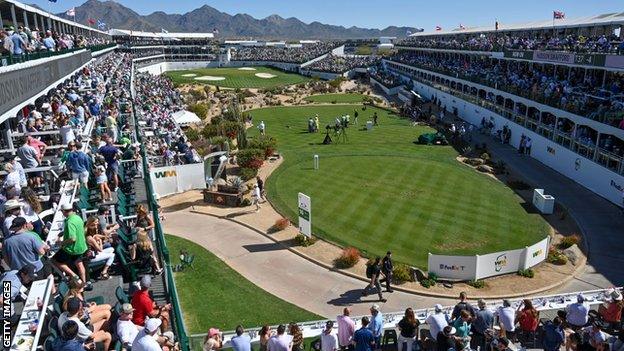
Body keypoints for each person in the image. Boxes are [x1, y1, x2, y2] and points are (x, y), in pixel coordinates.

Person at [53, 203, 89, 290]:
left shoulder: (69, 222)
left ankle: (74, 275)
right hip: (81, 246)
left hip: (72, 249)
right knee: (79, 264)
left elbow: (72, 238)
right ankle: (83, 284)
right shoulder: (77, 217)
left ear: (64, 211)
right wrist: (63, 233)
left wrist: (61, 243)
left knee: (55, 260)